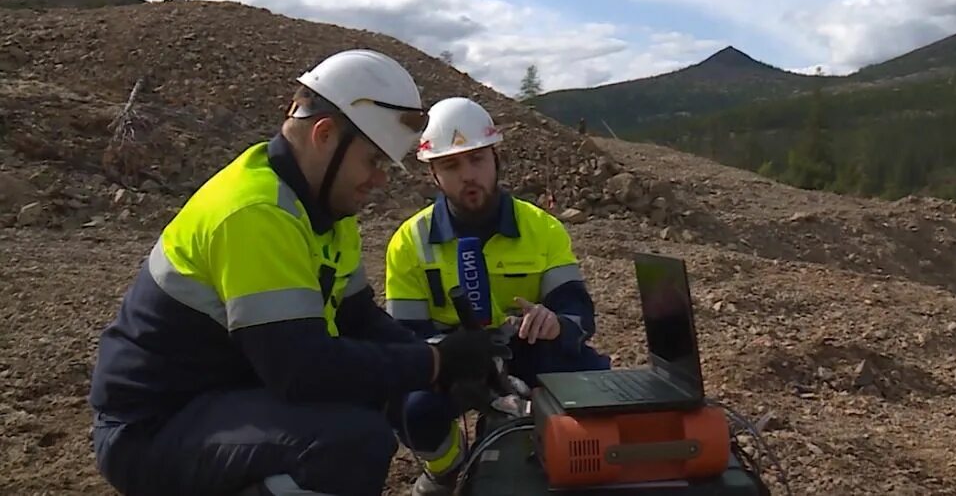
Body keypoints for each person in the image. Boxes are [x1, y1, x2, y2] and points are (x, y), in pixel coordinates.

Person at [87, 50, 497, 496]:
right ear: (324, 135)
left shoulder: (325, 211)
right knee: (350, 441)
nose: (379, 180)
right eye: (374, 161)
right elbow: (301, 370)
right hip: (153, 428)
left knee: (377, 389)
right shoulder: (257, 212)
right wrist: (434, 361)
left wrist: (444, 362)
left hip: (219, 399)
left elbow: (359, 320)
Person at [382, 97, 611, 495]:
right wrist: (450, 355)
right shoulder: (409, 242)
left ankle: (546, 459)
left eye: (477, 160)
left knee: (595, 388)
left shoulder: (542, 229)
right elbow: (405, 338)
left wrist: (556, 323)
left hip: (528, 348)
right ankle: (447, 465)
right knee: (405, 402)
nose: (468, 175)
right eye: (451, 165)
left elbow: (577, 311)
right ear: (433, 173)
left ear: (496, 159)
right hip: (450, 360)